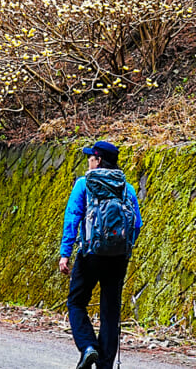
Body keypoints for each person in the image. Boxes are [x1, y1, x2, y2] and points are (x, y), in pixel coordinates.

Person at [59, 140, 142, 369]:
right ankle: (104, 365)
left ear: (97, 160)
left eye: (90, 158)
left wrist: (65, 253)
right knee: (110, 312)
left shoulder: (84, 184)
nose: (88, 162)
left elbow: (72, 219)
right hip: (118, 258)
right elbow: (137, 224)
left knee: (76, 302)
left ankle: (88, 346)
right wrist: (125, 249)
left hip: (90, 255)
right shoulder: (128, 187)